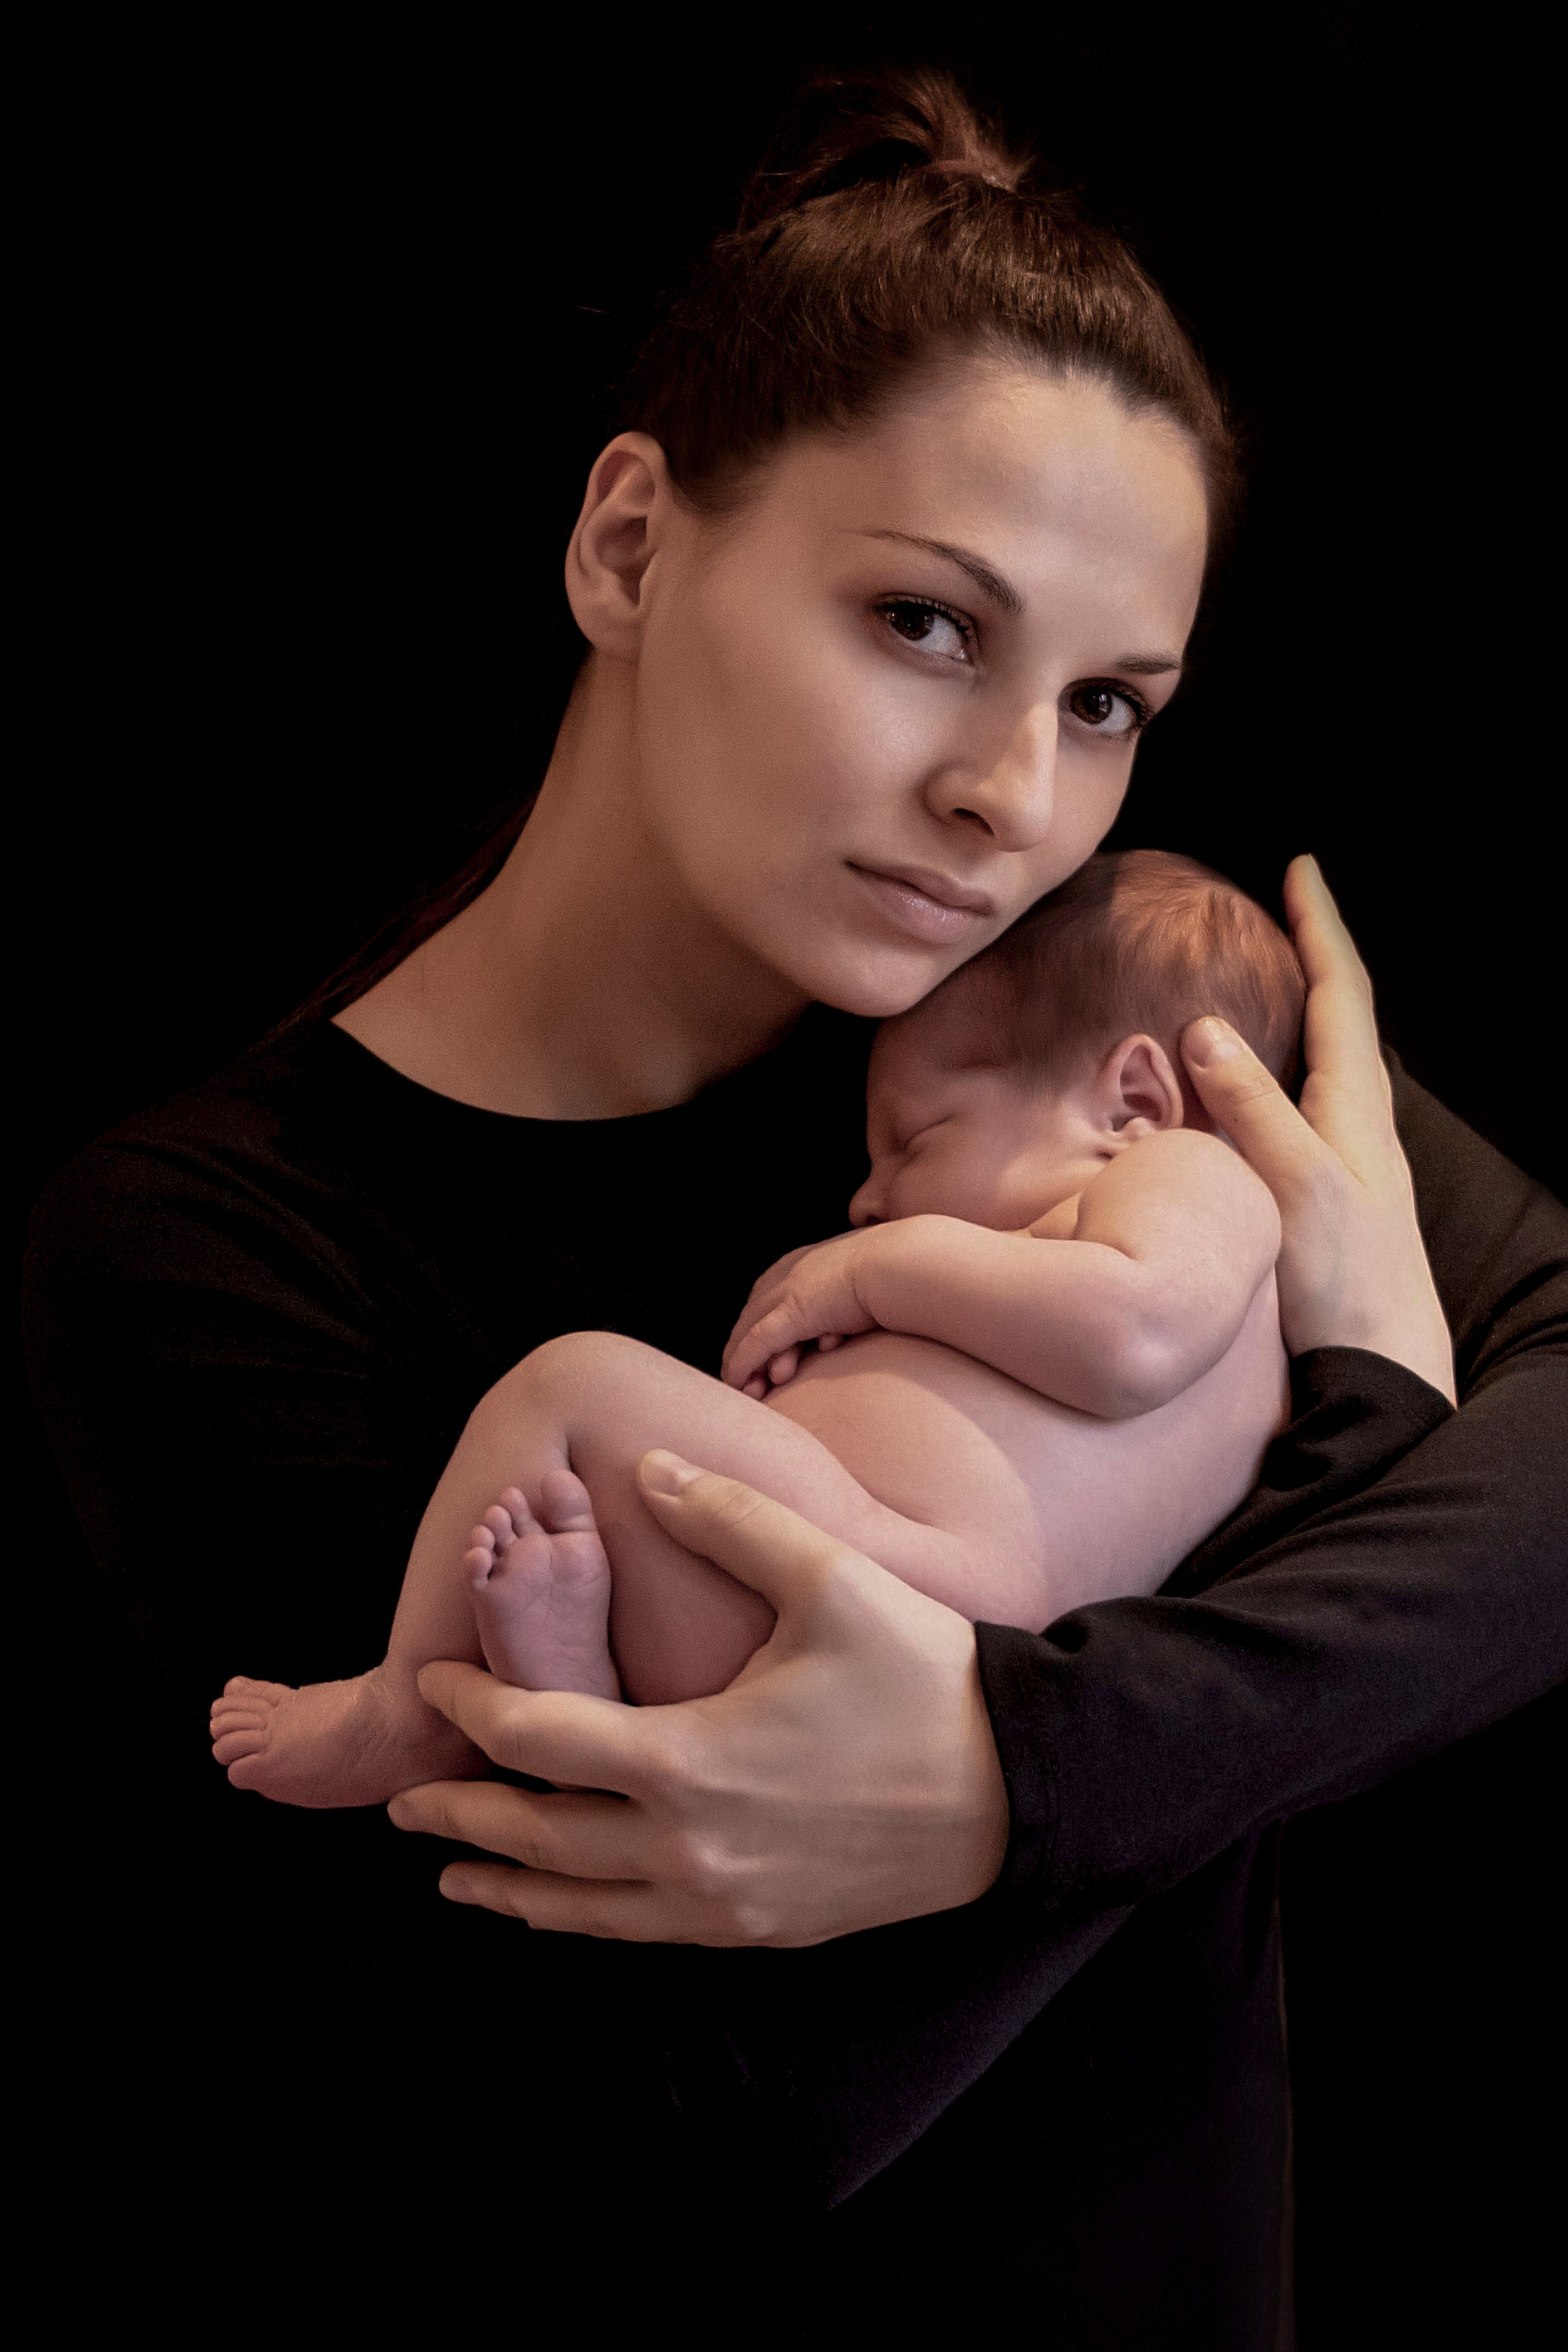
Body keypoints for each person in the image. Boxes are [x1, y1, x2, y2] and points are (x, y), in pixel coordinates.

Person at [24, 69, 1565, 2345]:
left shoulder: (1071, 1035)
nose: (1008, 798)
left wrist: (1004, 1781)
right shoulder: (214, 1246)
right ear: (631, 545)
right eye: (929, 625)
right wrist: (1351, 1447)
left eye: (1111, 698)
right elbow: (673, 2136)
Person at [210, 848, 1303, 1806]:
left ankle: (412, 1703)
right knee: (586, 1537)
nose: (867, 1201)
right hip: (869, 1625)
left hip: (927, 1599)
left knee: (571, 1382)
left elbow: (1136, 1335)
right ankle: (577, 1707)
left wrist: (879, 1270)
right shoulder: (1073, 1259)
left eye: (915, 1139)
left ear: (1136, 1099)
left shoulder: (1194, 1177)